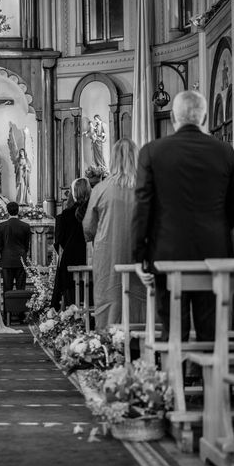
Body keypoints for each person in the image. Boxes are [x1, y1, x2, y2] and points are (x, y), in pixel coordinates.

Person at [132, 90, 234, 342]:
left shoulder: (152, 152)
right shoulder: (225, 152)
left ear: (172, 117)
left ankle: (175, 380)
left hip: (167, 254)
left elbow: (142, 208)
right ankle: (213, 380)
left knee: (173, 332)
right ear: (203, 119)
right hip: (214, 255)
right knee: (212, 331)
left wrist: (139, 256)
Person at [83, 138, 145, 328]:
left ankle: (109, 343)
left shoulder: (101, 188)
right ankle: (142, 344)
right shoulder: (146, 186)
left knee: (109, 298)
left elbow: (88, 226)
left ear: (112, 160)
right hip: (139, 252)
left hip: (109, 254)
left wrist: (94, 236)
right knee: (140, 298)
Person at [51, 178, 90, 310]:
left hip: (70, 259)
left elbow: (58, 242)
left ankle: (72, 319)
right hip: (90, 257)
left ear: (73, 193)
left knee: (72, 298)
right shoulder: (93, 211)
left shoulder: (65, 215)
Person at [0, 201, 31, 292]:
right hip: (21, 259)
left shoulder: (1, 226)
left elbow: (0, 245)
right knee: (21, 288)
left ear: (7, 211)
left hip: (7, 260)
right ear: (18, 211)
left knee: (7, 289)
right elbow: (27, 245)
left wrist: (4, 253)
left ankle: (7, 306)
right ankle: (20, 306)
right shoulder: (25, 226)